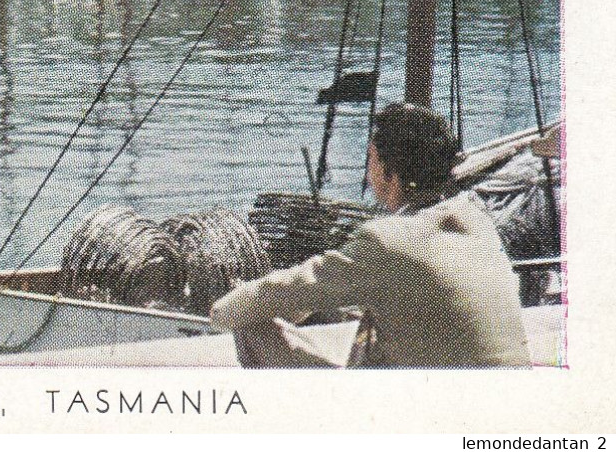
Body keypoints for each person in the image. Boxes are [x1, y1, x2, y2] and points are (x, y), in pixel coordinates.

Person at [209, 103, 530, 368]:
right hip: (501, 400)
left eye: (371, 161)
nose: (368, 171)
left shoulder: (386, 242)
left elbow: (280, 293)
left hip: (428, 415)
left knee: (251, 324)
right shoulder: (477, 222)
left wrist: (222, 311)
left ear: (390, 173)